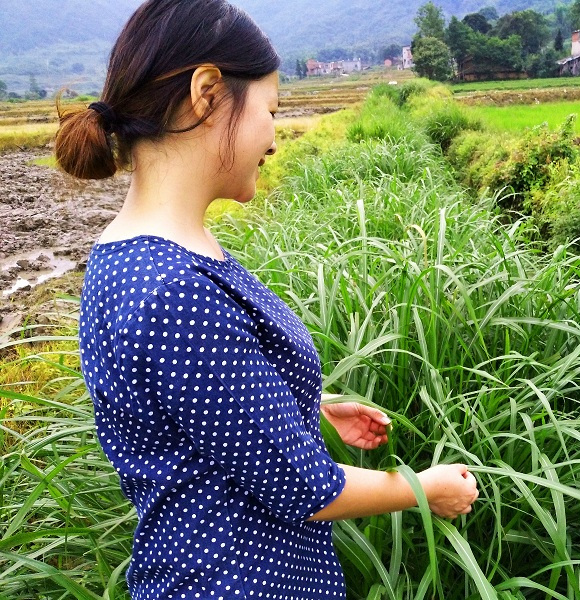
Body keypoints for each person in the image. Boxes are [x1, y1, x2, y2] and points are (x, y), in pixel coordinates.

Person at [55, 1, 479, 599]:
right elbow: (310, 490)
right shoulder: (173, 289)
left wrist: (305, 402)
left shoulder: (130, 253)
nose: (275, 139)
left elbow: (194, 400)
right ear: (208, 93)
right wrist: (425, 487)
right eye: (271, 112)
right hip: (235, 580)